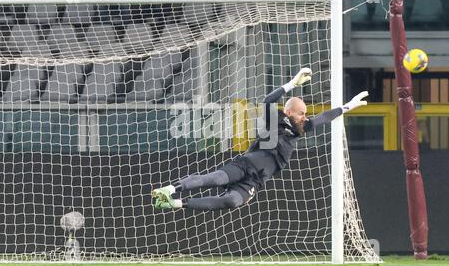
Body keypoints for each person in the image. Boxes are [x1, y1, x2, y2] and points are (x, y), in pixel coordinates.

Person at [151, 68, 369, 210]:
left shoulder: (299, 130)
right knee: (217, 179)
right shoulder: (275, 120)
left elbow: (324, 117)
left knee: (231, 201)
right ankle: (169, 189)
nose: (305, 117)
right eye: (301, 113)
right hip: (245, 164)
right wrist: (291, 84)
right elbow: (267, 100)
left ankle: (175, 203)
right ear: (289, 112)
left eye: (305, 113)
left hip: (257, 179)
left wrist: (348, 106)